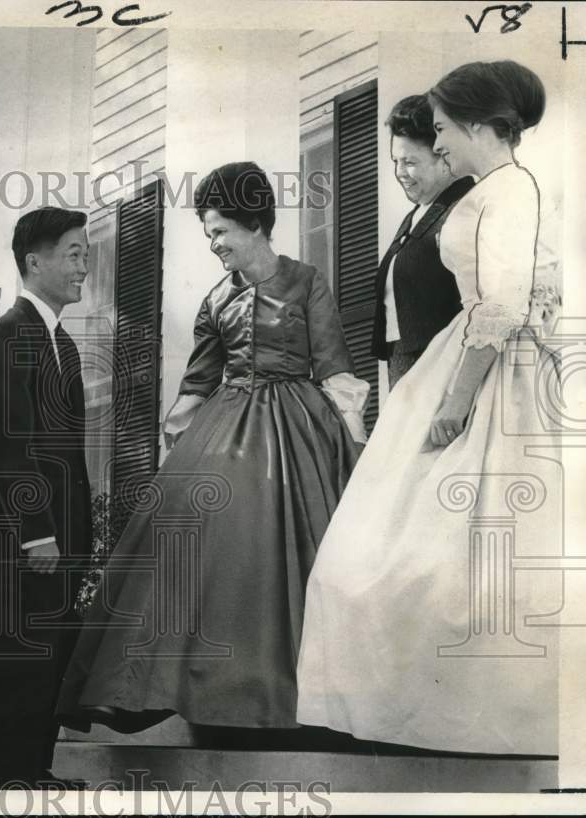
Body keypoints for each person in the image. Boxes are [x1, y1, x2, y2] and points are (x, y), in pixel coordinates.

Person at [297, 60, 561, 755]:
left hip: (489, 371)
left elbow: (501, 304)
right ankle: (415, 709)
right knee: (391, 552)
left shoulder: (507, 190)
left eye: (441, 129)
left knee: (464, 552)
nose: (435, 143)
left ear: (478, 124)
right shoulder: (495, 188)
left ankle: (480, 716)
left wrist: (458, 399)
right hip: (463, 354)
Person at [56, 162, 369, 733]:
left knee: (288, 558)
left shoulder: (306, 282)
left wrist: (352, 442)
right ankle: (134, 690)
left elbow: (334, 367)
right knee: (184, 540)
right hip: (225, 427)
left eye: (221, 232)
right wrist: (179, 440)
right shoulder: (215, 299)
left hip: (299, 430)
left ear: (254, 223)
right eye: (209, 236)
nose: (216, 245)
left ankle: (295, 699)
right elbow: (198, 383)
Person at [0, 207, 93, 786]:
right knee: (19, 665)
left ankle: (32, 776)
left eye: (85, 254)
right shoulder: (10, 334)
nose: (84, 265)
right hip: (24, 544)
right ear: (33, 262)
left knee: (46, 663)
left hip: (59, 543)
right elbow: (5, 448)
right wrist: (38, 531)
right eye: (72, 254)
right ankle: (1, 784)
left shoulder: (60, 342)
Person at [371, 95, 475, 388]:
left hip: (442, 366)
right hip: (403, 358)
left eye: (410, 162)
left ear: (443, 156)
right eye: (396, 161)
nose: (400, 173)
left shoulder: (464, 208)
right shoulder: (416, 215)